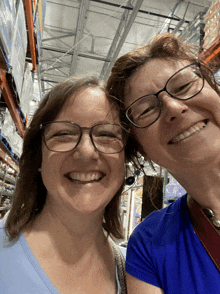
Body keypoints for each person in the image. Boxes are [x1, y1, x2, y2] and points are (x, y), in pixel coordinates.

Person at [106, 33, 220, 293]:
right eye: (146, 110)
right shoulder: (149, 246)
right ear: (141, 149)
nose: (173, 107)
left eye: (184, 86)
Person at [0, 76, 128, 294]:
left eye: (106, 134)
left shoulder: (136, 273)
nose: (87, 152)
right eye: (64, 134)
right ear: (38, 158)